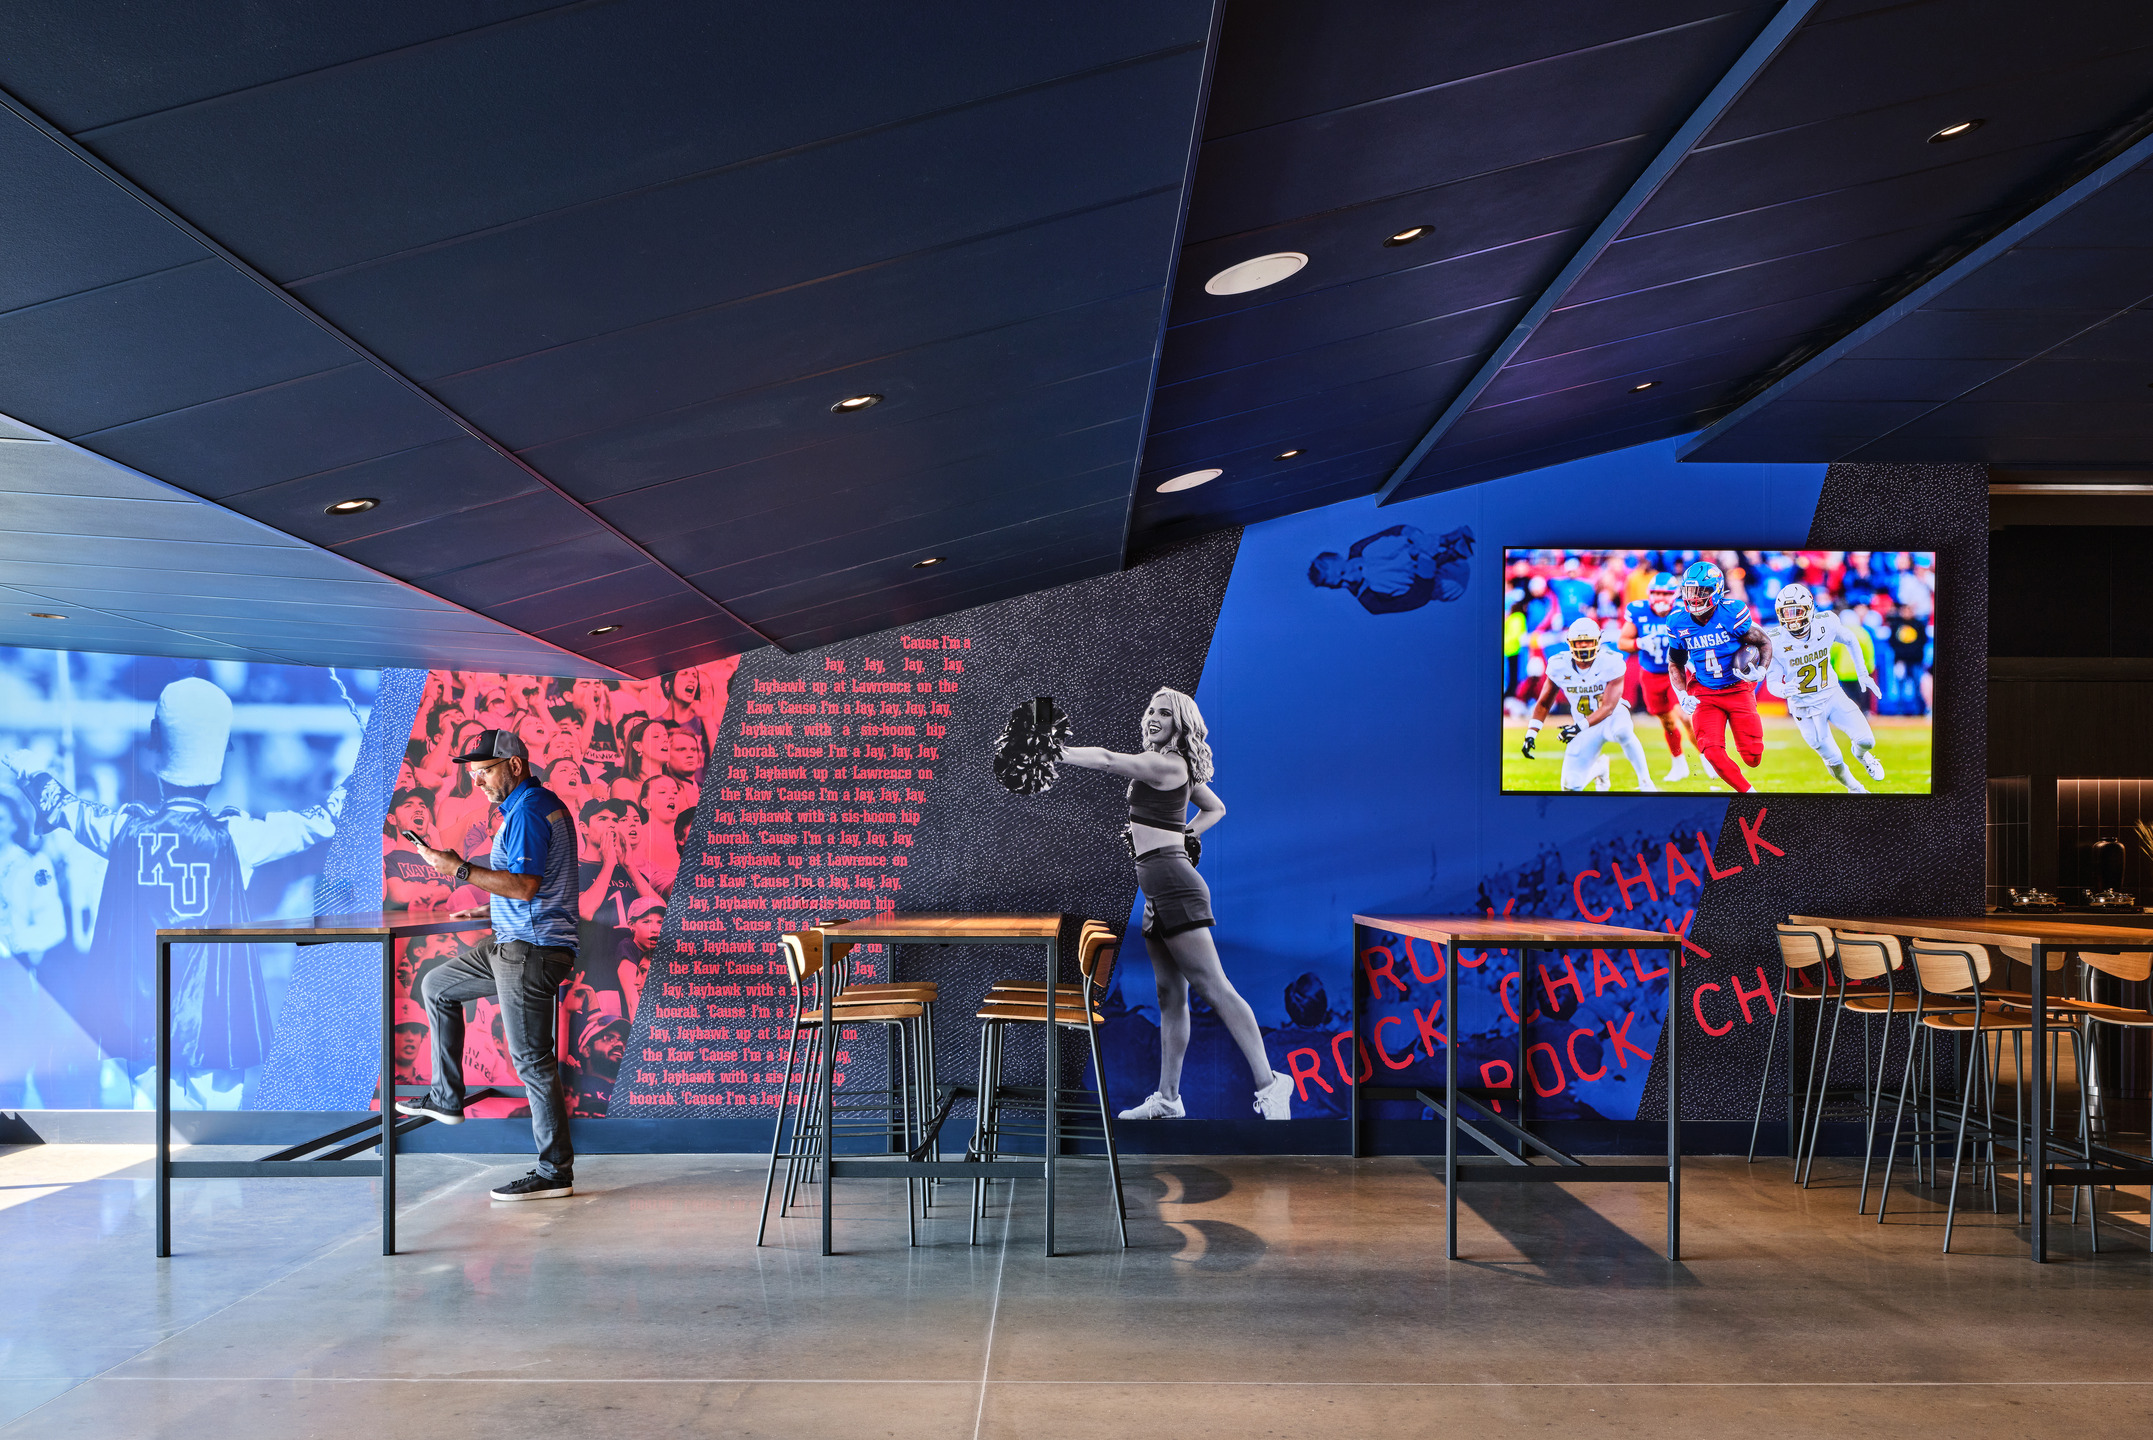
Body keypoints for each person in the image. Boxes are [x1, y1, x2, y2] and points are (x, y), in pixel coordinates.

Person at [4, 677, 345, 1110]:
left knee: (151, 1129)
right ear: (219, 756)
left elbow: (64, 806)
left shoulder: (123, 828)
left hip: (144, 1009)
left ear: (156, 749)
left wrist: (28, 766)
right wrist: (364, 774)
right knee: (216, 1132)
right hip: (217, 1009)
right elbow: (317, 822)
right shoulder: (238, 834)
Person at [1061, 688, 1293, 1120]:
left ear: (1178, 724)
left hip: (1174, 885)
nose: (1152, 716)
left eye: (1163, 713)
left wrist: (1059, 751)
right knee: (1169, 995)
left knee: (1214, 987)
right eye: (1150, 708)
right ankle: (1168, 1099)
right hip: (1157, 887)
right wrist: (1187, 834)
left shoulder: (1166, 763)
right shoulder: (1179, 769)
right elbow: (1215, 807)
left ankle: (1271, 1082)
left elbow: (1110, 760)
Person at [397, 728, 581, 1202]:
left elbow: (525, 887)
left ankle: (554, 1170)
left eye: (484, 772)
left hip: (530, 949)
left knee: (532, 1062)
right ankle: (446, 1097)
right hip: (513, 940)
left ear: (515, 766)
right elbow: (527, 887)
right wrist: (487, 909)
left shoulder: (531, 810)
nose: (477, 782)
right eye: (473, 774)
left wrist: (455, 868)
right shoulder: (527, 807)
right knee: (437, 984)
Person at [1761, 582, 1886, 792]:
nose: (1791, 618)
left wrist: (1863, 673)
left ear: (1809, 609)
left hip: (1832, 695)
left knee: (1866, 741)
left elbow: (1850, 639)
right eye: (1786, 612)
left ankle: (1862, 756)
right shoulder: (1775, 640)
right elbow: (1772, 681)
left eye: (1796, 611)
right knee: (1834, 759)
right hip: (1804, 709)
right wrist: (1782, 690)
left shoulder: (1825, 623)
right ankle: (1856, 789)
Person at [1665, 560, 1774, 794]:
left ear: (1715, 591)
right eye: (1690, 590)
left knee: (1753, 756)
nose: (1694, 597)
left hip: (1737, 689)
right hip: (1704, 691)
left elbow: (1764, 642)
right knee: (1711, 750)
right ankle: (1748, 793)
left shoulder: (1731, 612)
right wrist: (1682, 695)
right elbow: (1676, 663)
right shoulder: (1677, 621)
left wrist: (1762, 671)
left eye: (1701, 591)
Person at [1522, 618, 1657, 792]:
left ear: (1598, 641)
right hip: (1584, 726)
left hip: (1611, 717)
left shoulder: (1611, 661)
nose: (1584, 646)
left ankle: (1646, 783)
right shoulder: (1559, 665)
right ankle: (1598, 769)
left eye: (1588, 641)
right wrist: (1531, 733)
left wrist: (1578, 727)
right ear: (1570, 643)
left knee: (1623, 731)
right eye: (1579, 642)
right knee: (1571, 787)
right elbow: (1543, 703)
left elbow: (1608, 707)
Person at [1616, 570, 1699, 783]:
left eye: (1665, 593)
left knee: (1685, 717)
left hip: (1677, 672)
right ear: (1649, 593)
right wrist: (1639, 643)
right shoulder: (1638, 610)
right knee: (1668, 722)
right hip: (1651, 674)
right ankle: (1679, 762)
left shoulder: (1684, 612)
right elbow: (1622, 641)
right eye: (1656, 593)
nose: (1660, 598)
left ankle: (1707, 758)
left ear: (1675, 594)